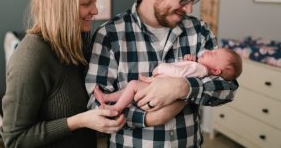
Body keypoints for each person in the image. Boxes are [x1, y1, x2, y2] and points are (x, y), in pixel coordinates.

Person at [86, 0, 239, 147]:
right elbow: (95, 105)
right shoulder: (110, 35)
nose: (189, 9)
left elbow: (228, 87)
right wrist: (150, 118)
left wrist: (182, 87)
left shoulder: (199, 31)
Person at [0, 0, 125, 148]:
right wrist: (80, 121)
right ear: (60, 6)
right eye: (86, 3)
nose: (95, 10)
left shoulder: (78, 41)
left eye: (95, 1)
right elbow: (15, 139)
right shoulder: (31, 58)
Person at [93, 48, 242, 112]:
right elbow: (185, 70)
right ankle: (107, 97)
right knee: (131, 90)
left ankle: (116, 107)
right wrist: (190, 60)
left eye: (214, 54)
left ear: (216, 71)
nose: (210, 51)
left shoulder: (199, 69)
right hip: (157, 87)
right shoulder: (199, 67)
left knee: (132, 85)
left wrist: (161, 68)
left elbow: (178, 72)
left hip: (157, 86)